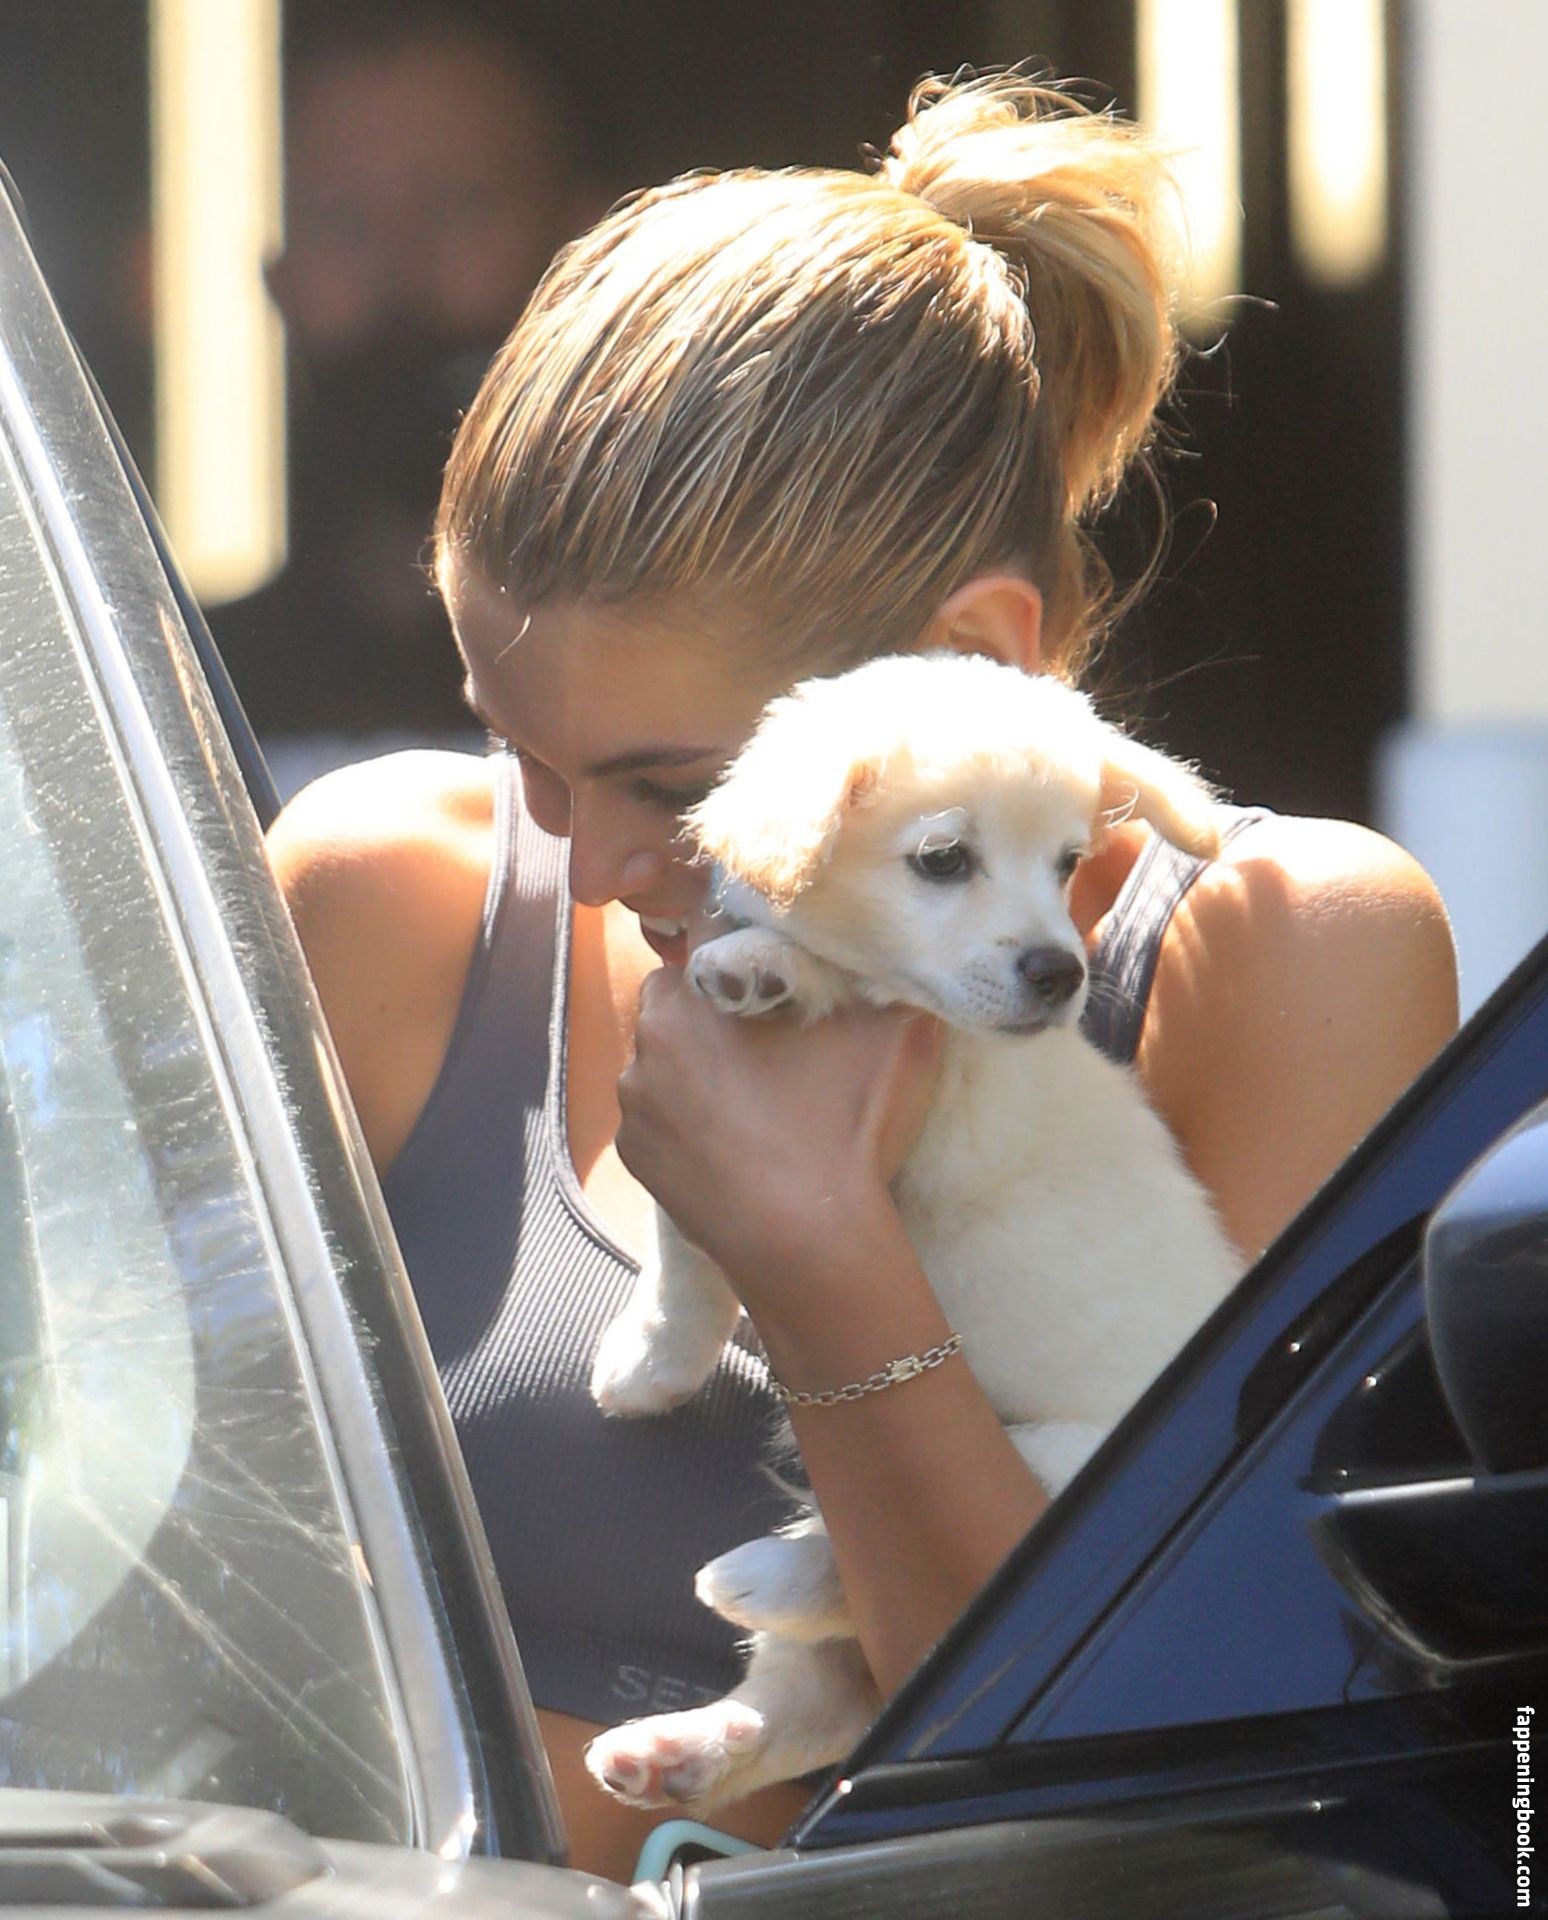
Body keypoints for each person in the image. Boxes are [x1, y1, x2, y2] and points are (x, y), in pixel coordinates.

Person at [267, 76, 1459, 1877]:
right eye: (522, 755)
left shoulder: (1278, 950)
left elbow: (1128, 1792)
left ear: (973, 657)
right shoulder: (393, 899)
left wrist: (816, 1250)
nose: (585, 863)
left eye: (672, 785)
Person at [212, 5, 600, 796]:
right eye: (344, 219)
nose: (403, 272)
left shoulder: (696, 676)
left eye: (461, 204)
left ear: (588, 245)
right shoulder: (184, 688)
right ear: (281, 280)